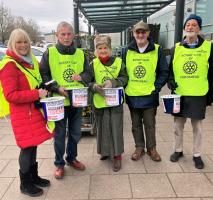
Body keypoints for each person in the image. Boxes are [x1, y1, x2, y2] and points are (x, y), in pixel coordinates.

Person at [0, 29, 52, 197]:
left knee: (33, 144)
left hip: (33, 111)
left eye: (25, 42)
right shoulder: (9, 65)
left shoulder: (28, 62)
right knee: (26, 147)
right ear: (12, 44)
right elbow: (10, 95)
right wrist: (36, 94)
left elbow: (33, 83)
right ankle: (25, 183)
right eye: (19, 42)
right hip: (22, 114)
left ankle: (33, 176)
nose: (23, 45)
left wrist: (44, 88)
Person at [40, 21, 90, 179]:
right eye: (63, 34)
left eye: (69, 34)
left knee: (75, 133)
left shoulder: (81, 54)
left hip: (76, 101)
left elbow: (89, 74)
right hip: (58, 102)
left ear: (74, 35)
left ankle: (72, 158)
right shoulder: (50, 53)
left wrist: (81, 77)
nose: (66, 37)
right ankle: (59, 163)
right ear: (57, 35)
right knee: (60, 135)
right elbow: (44, 75)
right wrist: (56, 88)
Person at [73, 35, 128, 171]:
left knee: (115, 128)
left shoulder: (119, 62)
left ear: (109, 49)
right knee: (102, 128)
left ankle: (117, 156)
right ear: (96, 50)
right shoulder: (93, 64)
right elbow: (88, 79)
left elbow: (125, 78)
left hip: (115, 102)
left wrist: (113, 82)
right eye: (100, 48)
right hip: (99, 101)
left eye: (105, 48)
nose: (103, 51)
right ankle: (105, 151)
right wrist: (93, 87)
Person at [168, 14, 213, 169]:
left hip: (199, 93)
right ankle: (178, 150)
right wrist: (170, 81)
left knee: (198, 128)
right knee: (177, 125)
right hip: (180, 93)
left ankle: (197, 154)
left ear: (199, 28)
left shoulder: (208, 48)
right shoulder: (176, 48)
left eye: (194, 25)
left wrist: (210, 95)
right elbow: (170, 71)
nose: (191, 27)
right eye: (188, 25)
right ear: (184, 28)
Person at [122, 21, 168, 162]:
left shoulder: (157, 49)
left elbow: (164, 71)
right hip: (132, 94)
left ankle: (152, 149)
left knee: (149, 124)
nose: (140, 34)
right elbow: (122, 72)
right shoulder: (126, 50)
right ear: (133, 34)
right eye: (138, 32)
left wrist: (156, 87)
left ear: (148, 33)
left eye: (143, 32)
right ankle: (139, 147)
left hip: (149, 95)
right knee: (135, 124)